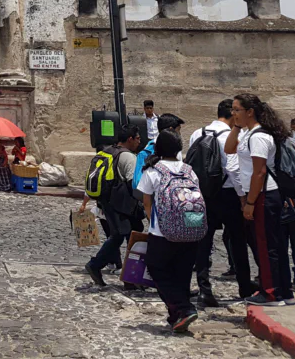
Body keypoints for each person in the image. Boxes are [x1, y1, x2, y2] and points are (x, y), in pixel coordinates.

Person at [225, 93, 295, 306]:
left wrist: (250, 202)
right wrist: (236, 127)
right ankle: (284, 291)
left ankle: (272, 293)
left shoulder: (258, 137)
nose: (233, 113)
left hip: (263, 195)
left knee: (266, 246)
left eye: (237, 109)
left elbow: (259, 172)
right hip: (262, 194)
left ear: (250, 112)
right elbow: (229, 149)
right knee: (272, 244)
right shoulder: (249, 134)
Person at [189, 99, 255, 305]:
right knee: (237, 240)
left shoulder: (197, 133)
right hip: (227, 194)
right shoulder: (229, 136)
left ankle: (204, 289)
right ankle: (244, 285)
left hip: (203, 194)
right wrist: (243, 198)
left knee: (203, 241)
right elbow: (234, 170)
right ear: (232, 115)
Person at [138, 130, 202, 333]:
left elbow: (146, 202)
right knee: (182, 274)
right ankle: (177, 316)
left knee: (157, 269)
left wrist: (154, 222)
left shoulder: (153, 171)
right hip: (191, 228)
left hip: (162, 232)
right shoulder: (189, 170)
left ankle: (184, 308)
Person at [81, 125, 143, 287]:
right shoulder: (128, 157)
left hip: (108, 202)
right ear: (129, 139)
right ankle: (96, 265)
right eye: (137, 138)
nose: (139, 141)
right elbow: (133, 184)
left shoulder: (108, 151)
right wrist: (144, 202)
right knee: (125, 236)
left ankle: (129, 278)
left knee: (124, 235)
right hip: (122, 204)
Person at [133, 113, 184, 190]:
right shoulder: (146, 153)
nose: (180, 134)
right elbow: (138, 185)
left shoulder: (177, 151)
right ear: (170, 130)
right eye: (178, 130)